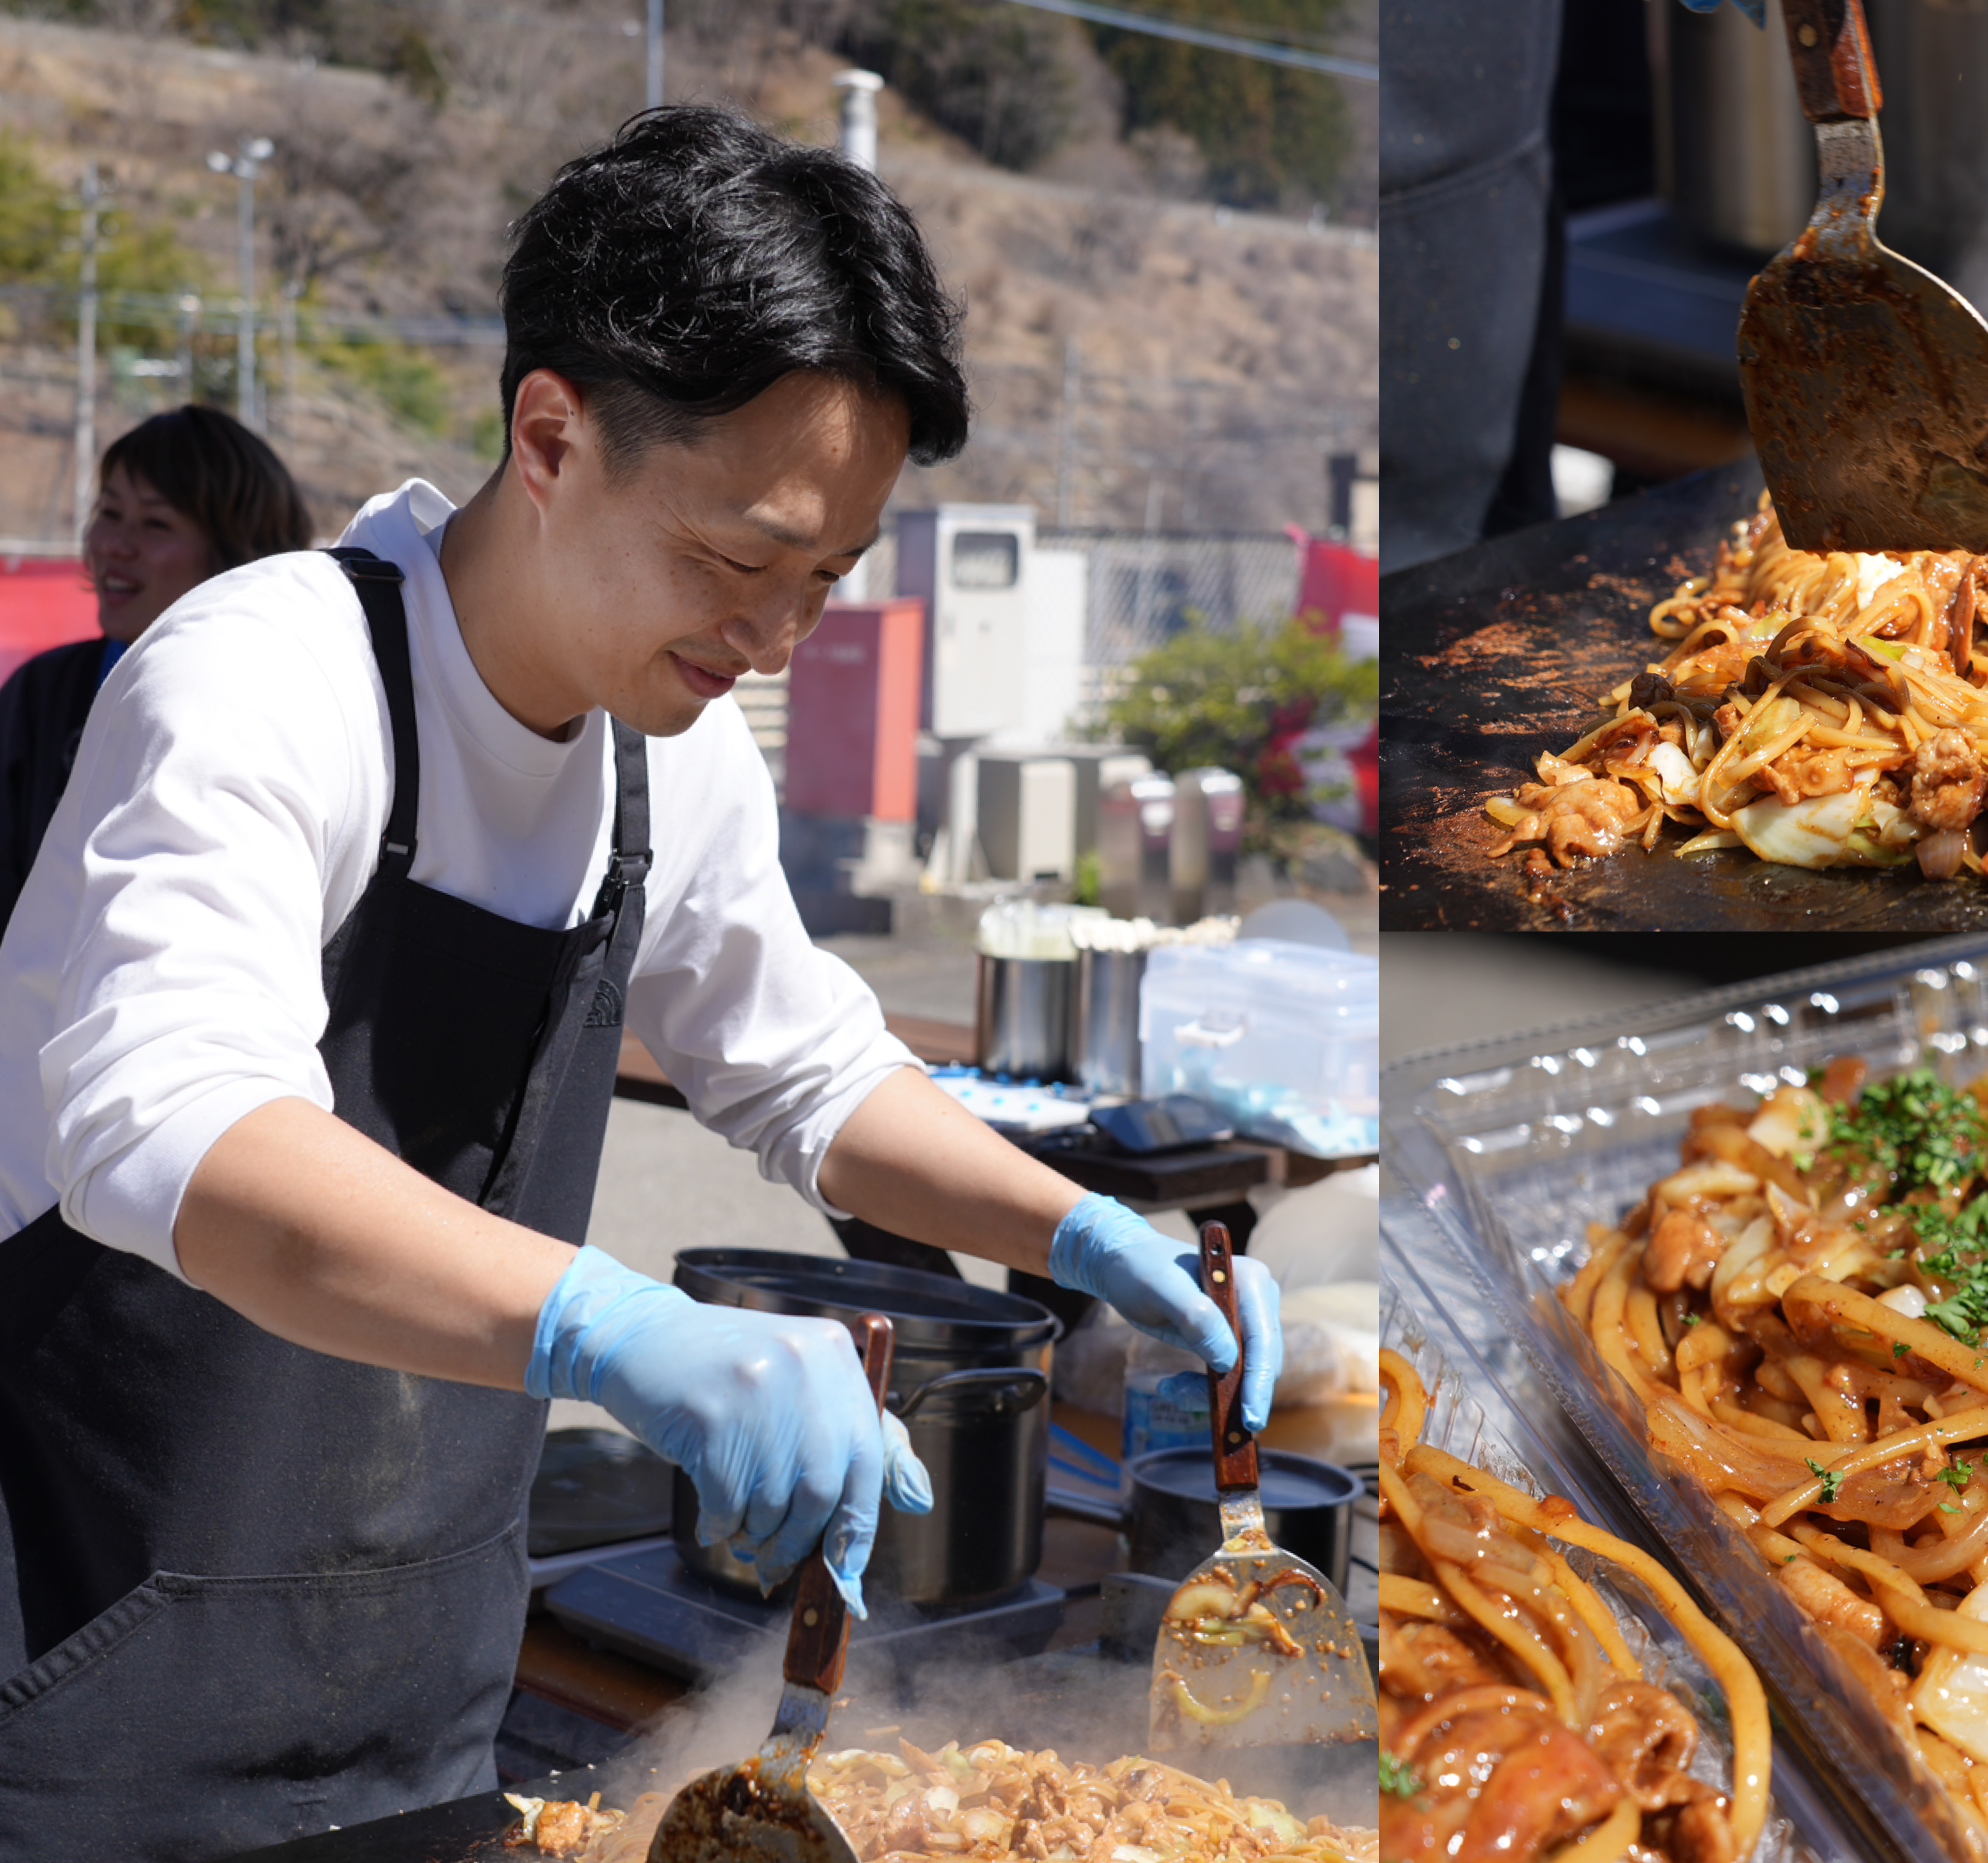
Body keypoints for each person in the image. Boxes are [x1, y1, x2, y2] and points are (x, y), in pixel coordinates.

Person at [0, 107, 1282, 1860]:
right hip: (89, 1682)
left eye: (821, 584)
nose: (769, 639)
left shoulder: (660, 751)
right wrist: (612, 1324)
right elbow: (175, 1134)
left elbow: (805, 1071)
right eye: (733, 562)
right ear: (551, 435)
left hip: (413, 1685)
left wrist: (1082, 1236)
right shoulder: (257, 681)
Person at [0, 406, 312, 925]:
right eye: (110, 512)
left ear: (237, 553)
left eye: (156, 523)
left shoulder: (286, 708)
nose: (115, 546)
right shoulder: (44, 693)